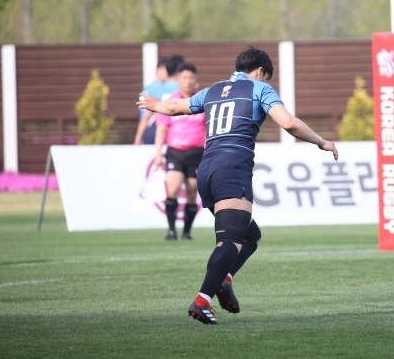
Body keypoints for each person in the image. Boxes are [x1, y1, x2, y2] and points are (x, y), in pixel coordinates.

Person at [138, 46, 338, 325]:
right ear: (260, 71)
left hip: (207, 169)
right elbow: (289, 124)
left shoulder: (212, 90)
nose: (265, 81)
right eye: (266, 77)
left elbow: (175, 107)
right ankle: (202, 300)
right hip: (231, 168)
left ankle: (225, 279)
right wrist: (321, 141)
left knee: (250, 236)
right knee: (230, 241)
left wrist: (156, 105)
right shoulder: (260, 88)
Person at [154, 62, 206, 241]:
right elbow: (161, 128)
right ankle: (171, 231)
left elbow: (209, 128)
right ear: (178, 80)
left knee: (192, 193)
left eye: (191, 77)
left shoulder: (202, 101)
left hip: (197, 154)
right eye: (184, 77)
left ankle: (186, 232)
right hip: (175, 153)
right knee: (173, 189)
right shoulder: (170, 102)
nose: (188, 81)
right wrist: (158, 153)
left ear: (196, 79)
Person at [134, 54, 183, 145]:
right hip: (161, 128)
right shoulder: (157, 87)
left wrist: (138, 137)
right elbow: (147, 115)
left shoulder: (152, 86)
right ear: (158, 69)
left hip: (155, 129)